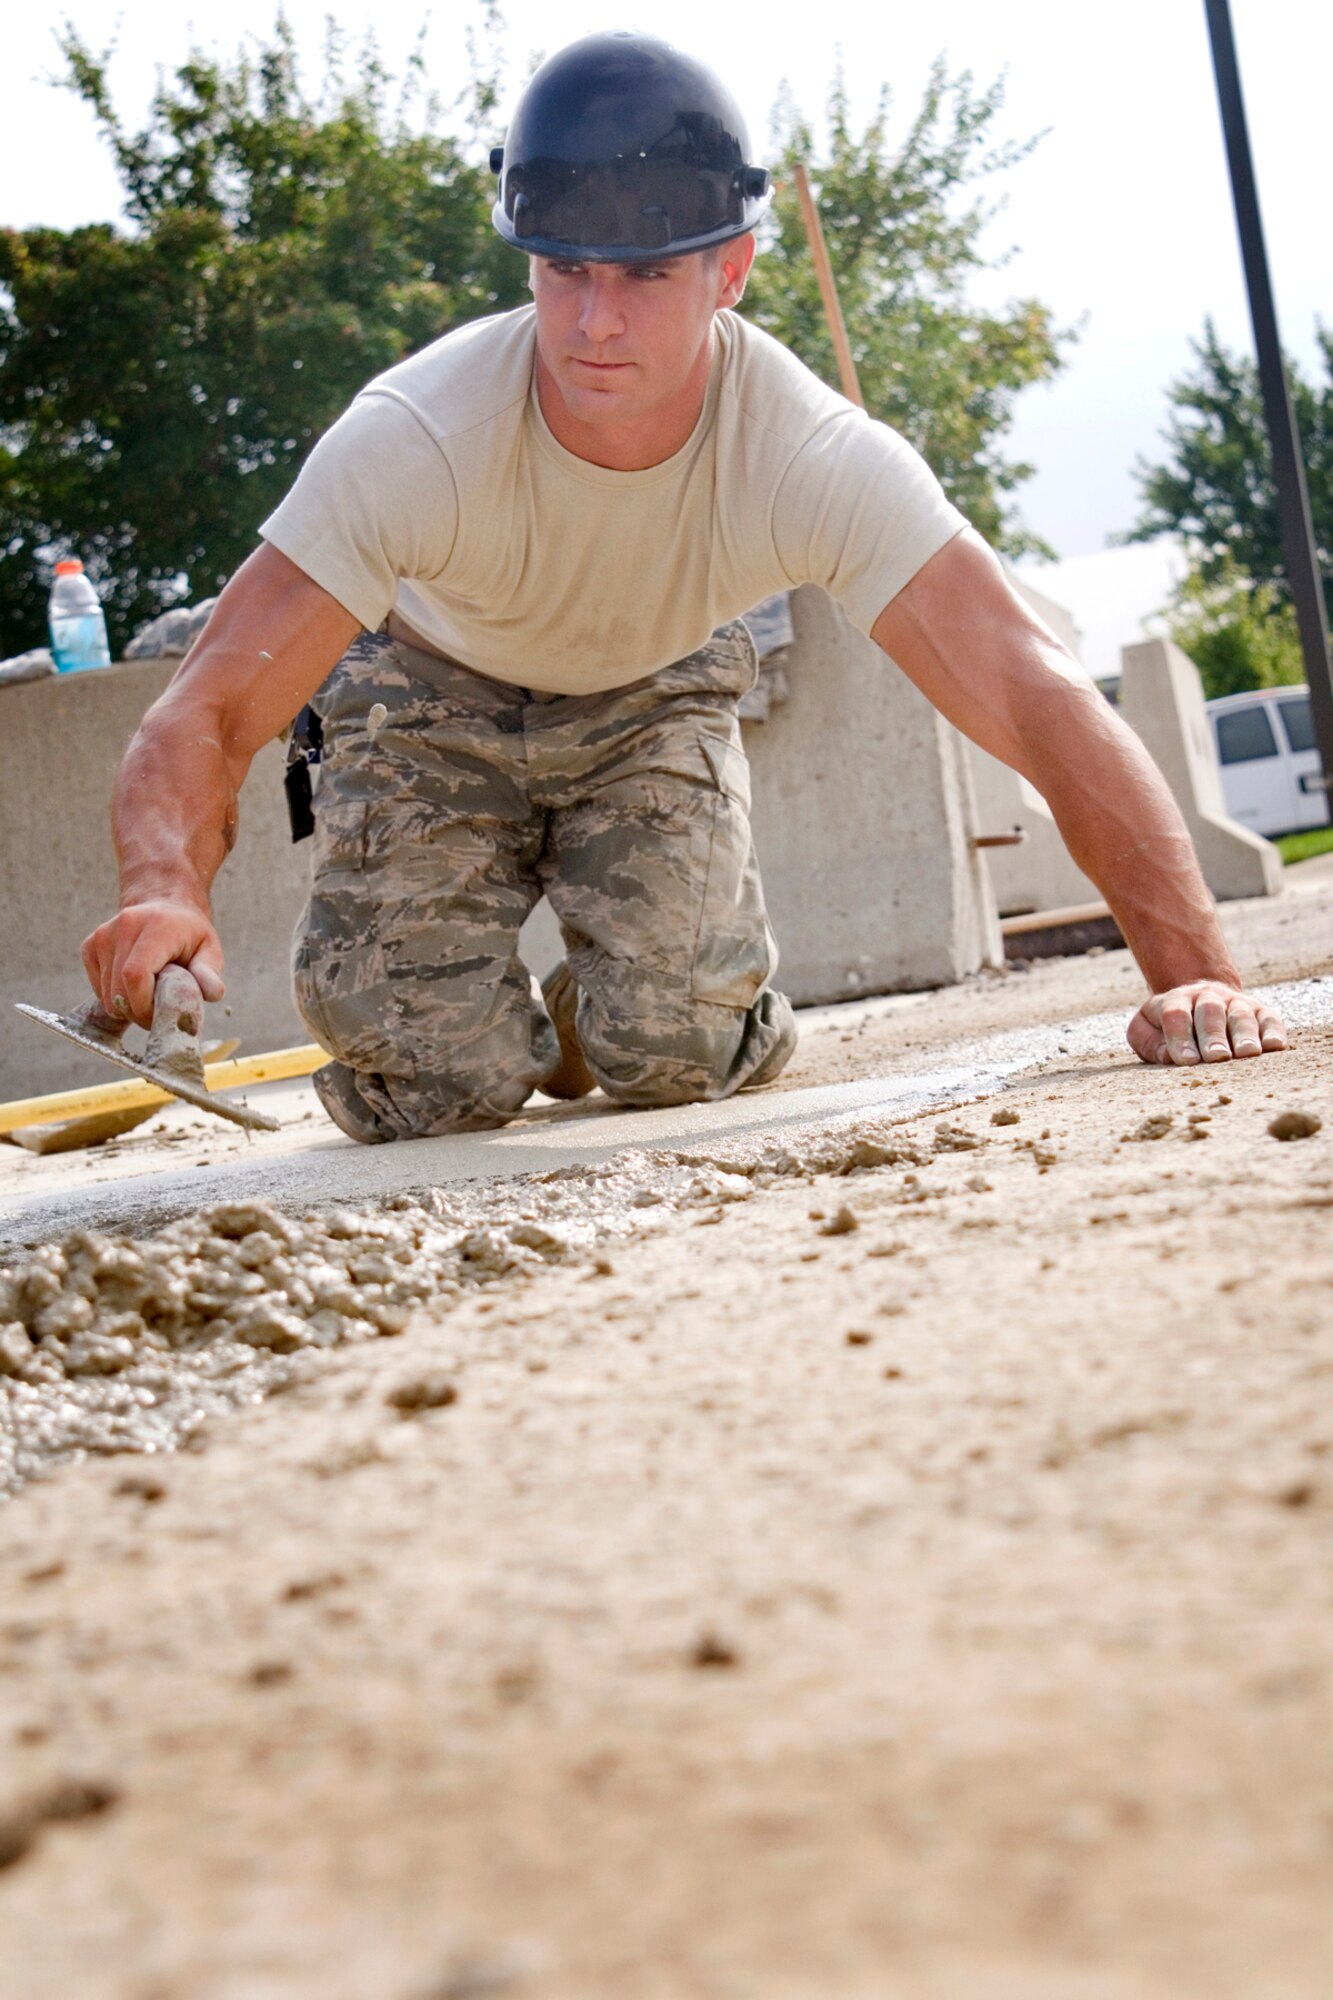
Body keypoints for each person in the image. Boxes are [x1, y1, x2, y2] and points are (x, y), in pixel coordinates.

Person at [82, 31, 1287, 1143]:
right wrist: (163, 888)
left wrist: (1195, 976)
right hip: (425, 702)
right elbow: (208, 708)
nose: (595, 322)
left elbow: (1037, 697)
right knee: (433, 1088)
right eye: (564, 270)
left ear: (731, 271)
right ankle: (514, 1017)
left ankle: (645, 999)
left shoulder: (807, 453)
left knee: (672, 1049)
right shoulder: (413, 435)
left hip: (649, 701)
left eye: (646, 277)